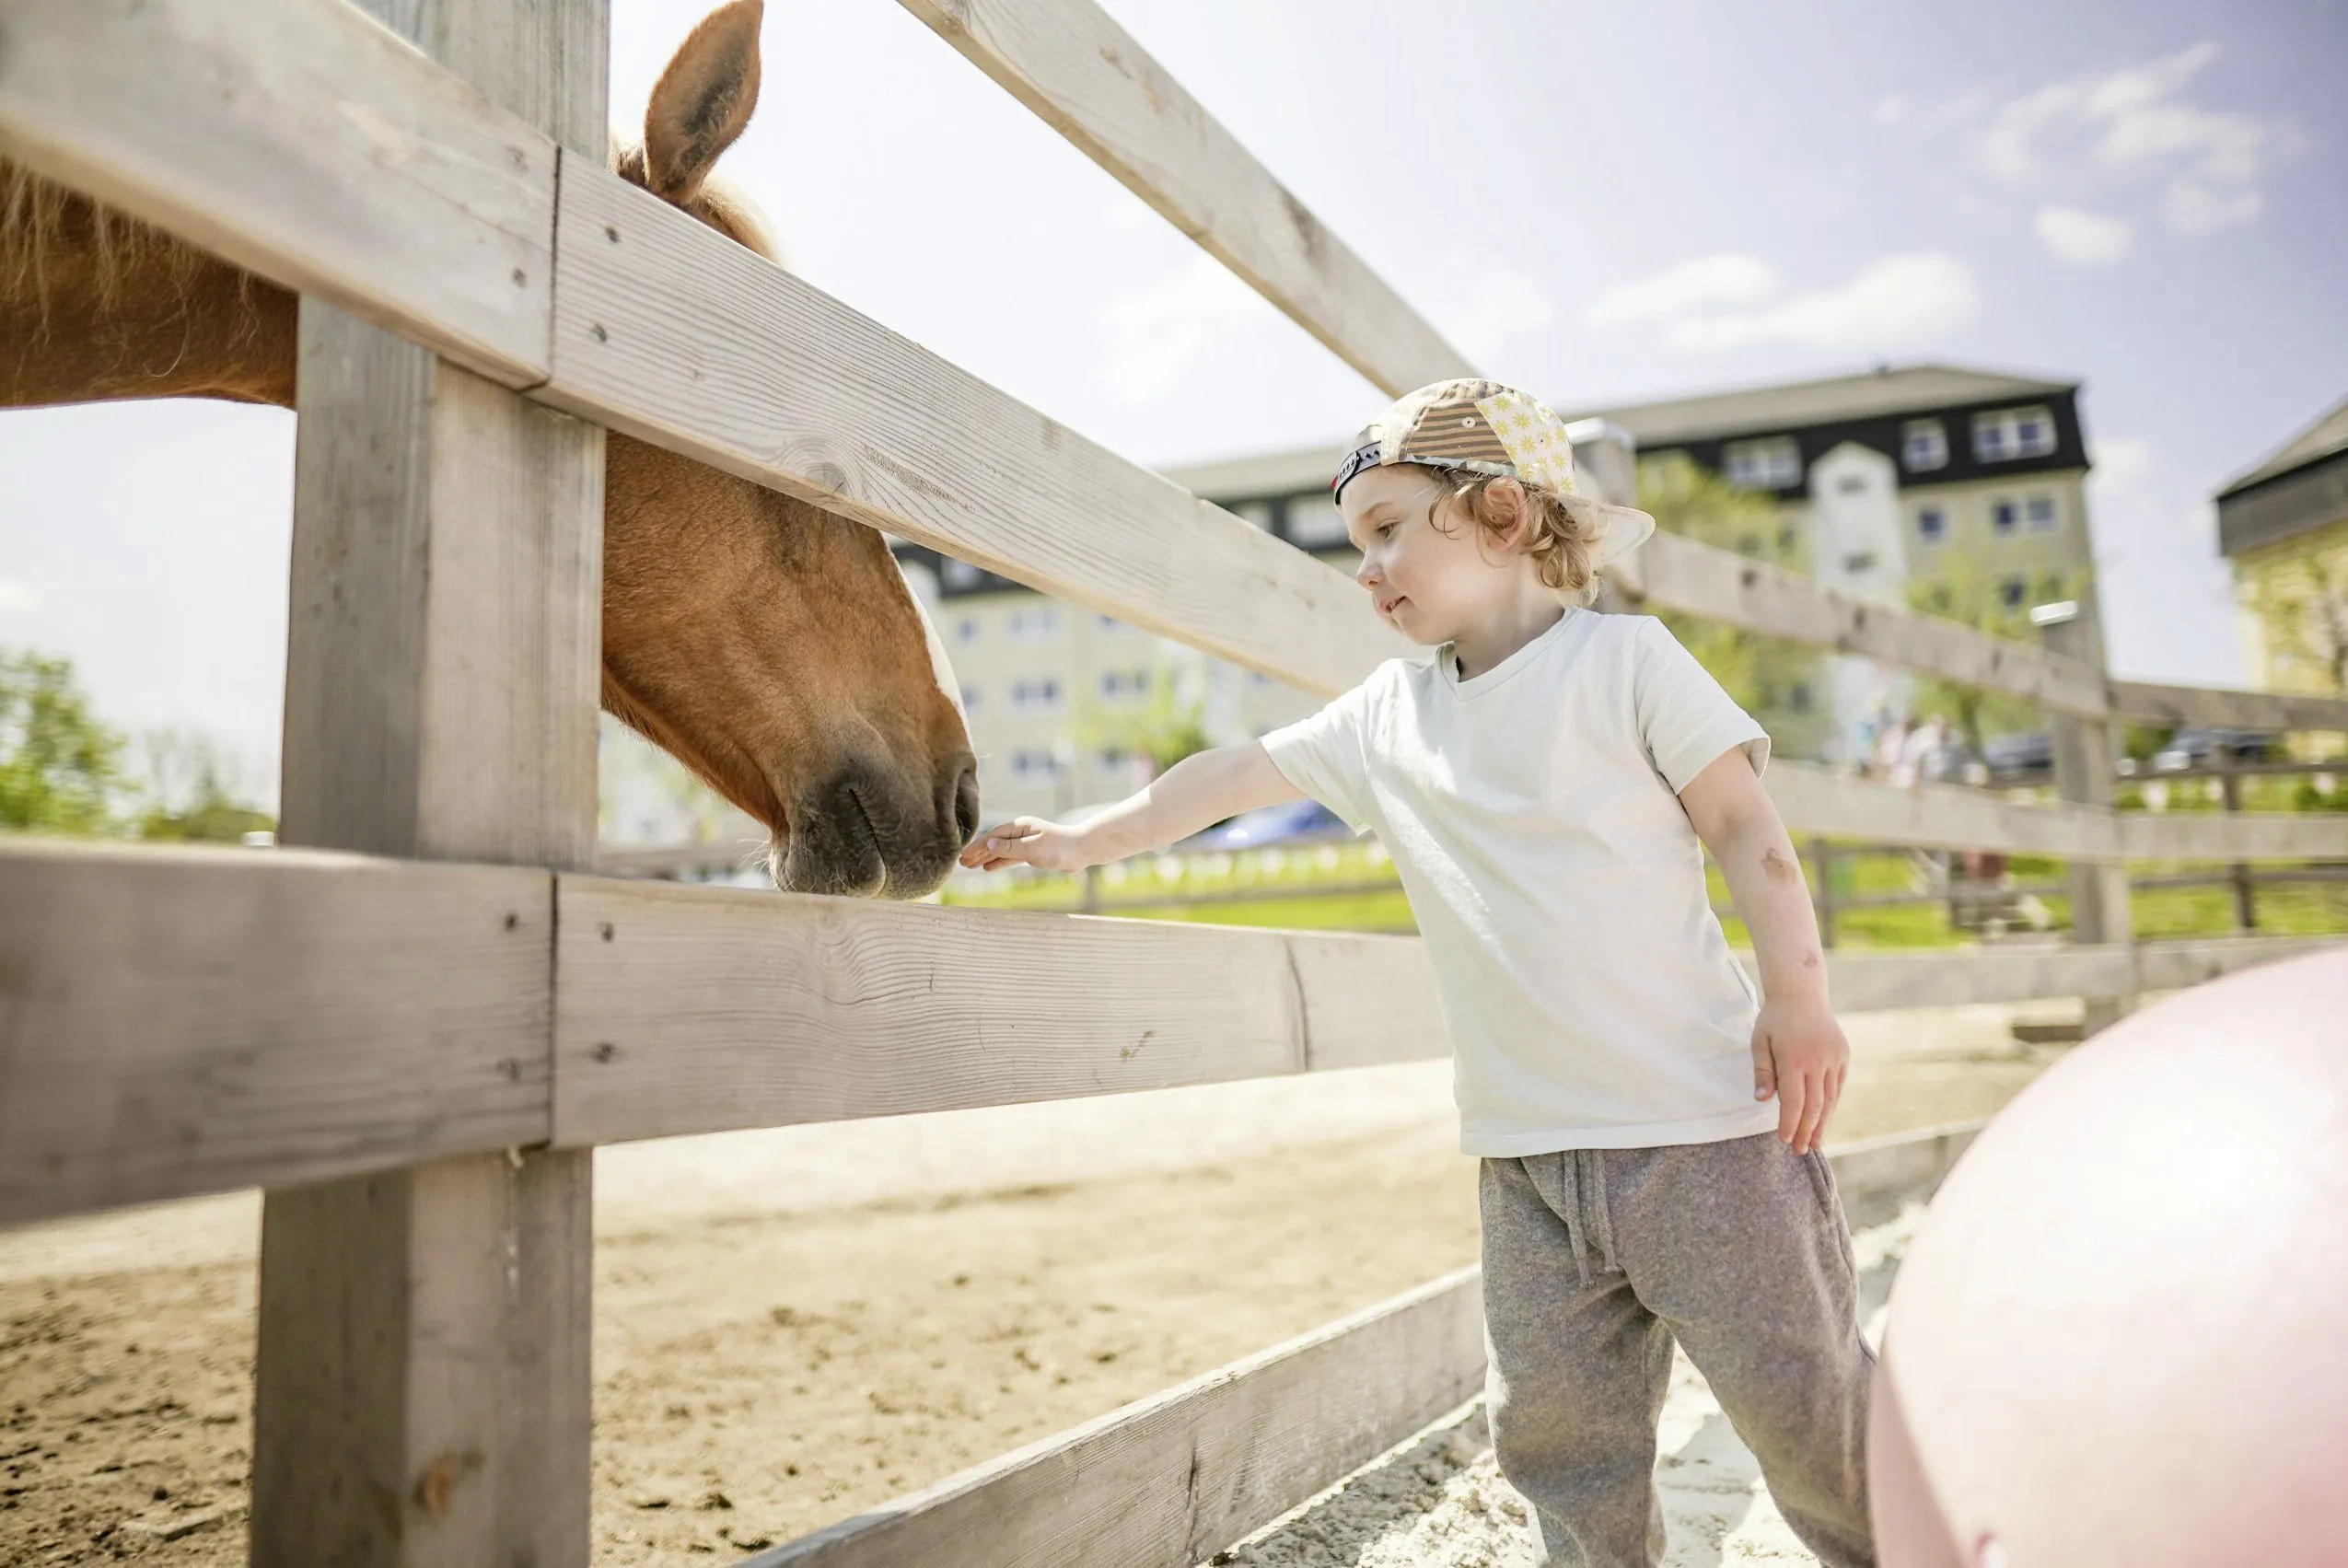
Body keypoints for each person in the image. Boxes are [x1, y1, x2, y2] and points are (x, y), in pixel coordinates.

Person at [960, 380, 1873, 1567]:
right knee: (1555, 1434)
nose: (1367, 565)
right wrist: (1089, 838)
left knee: (1805, 1409)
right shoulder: (1389, 717)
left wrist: (1799, 1002)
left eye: (1389, 527)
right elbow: (1232, 777)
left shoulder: (1629, 666)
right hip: (1527, 1159)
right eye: (1357, 543)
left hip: (1705, 1137)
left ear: (1499, 515)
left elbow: (1749, 831)